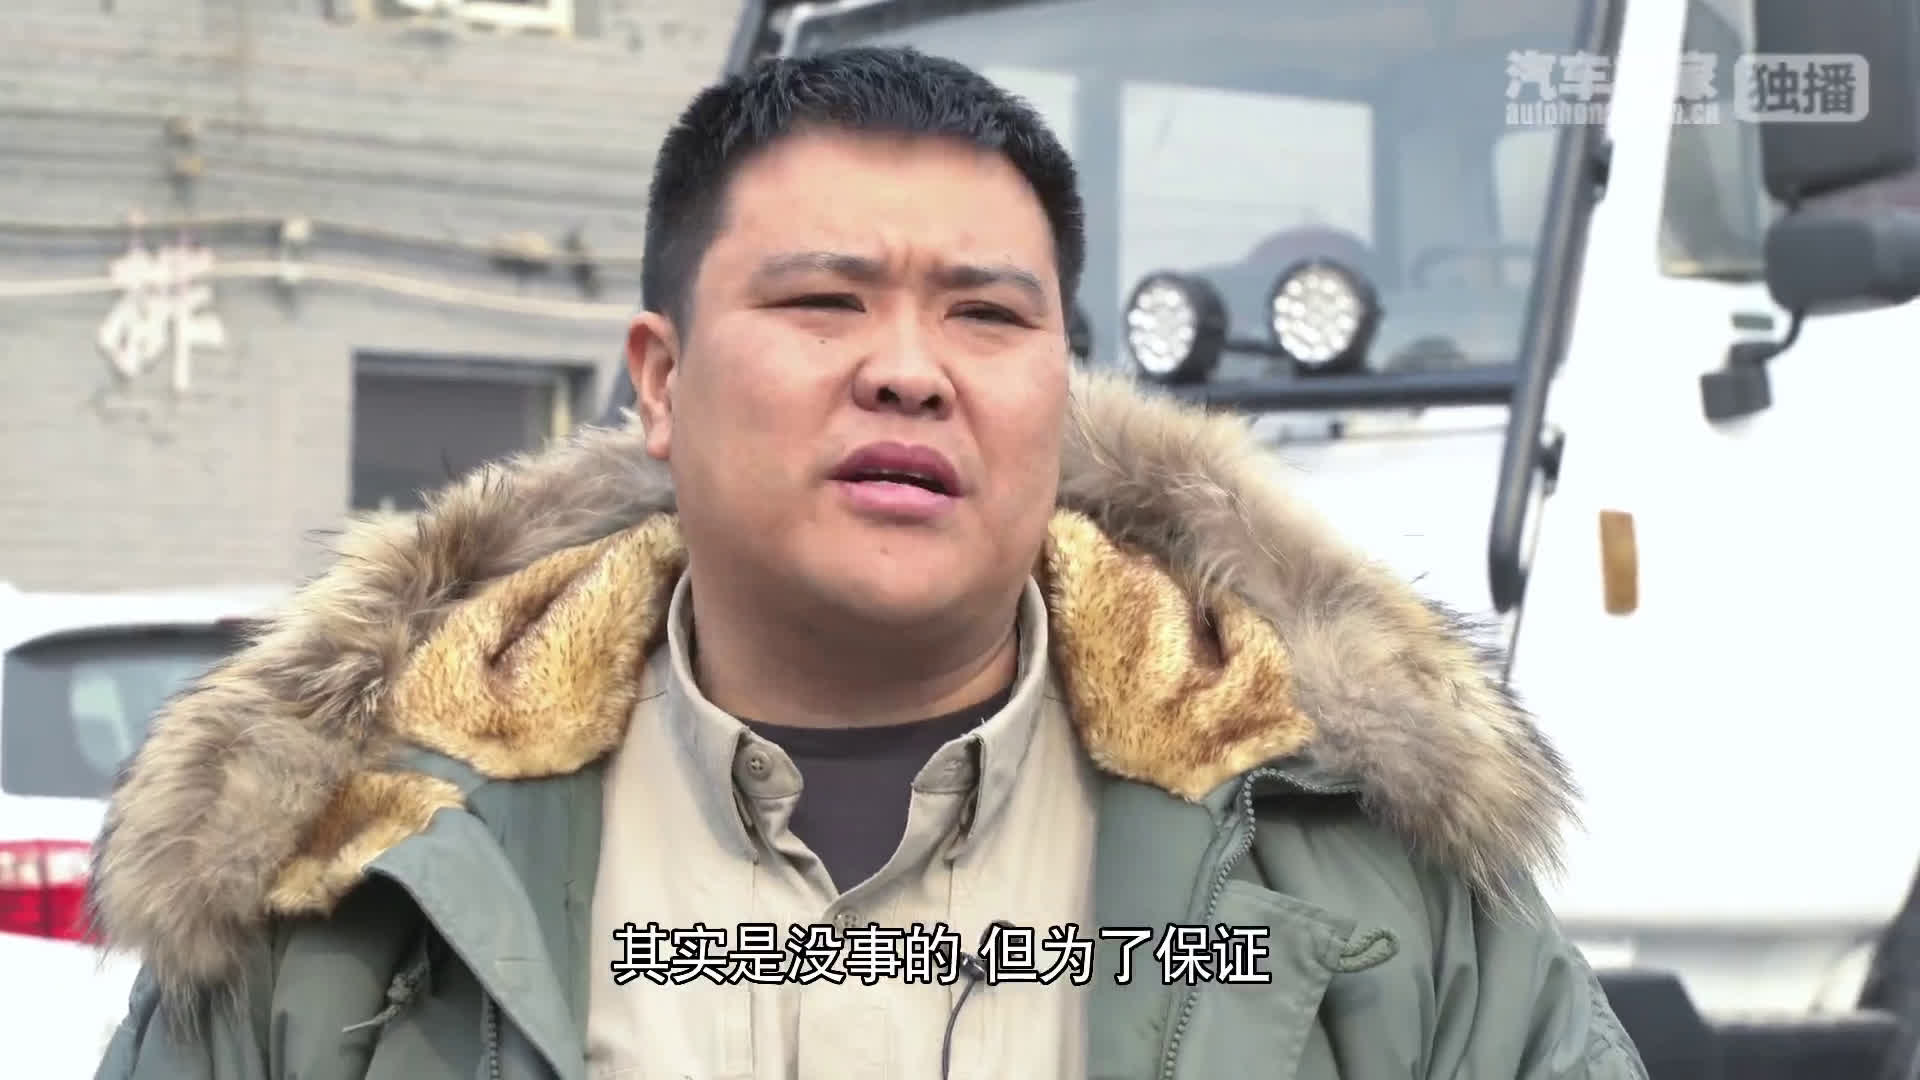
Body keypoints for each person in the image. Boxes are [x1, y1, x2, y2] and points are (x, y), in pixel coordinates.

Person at [88, 45, 1647, 1080]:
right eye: (824, 302)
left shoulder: (1348, 858)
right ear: (660, 381)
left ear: (1065, 385)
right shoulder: (360, 865)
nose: (909, 371)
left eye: (986, 315)